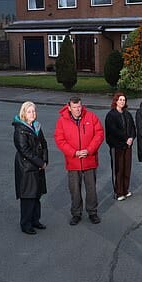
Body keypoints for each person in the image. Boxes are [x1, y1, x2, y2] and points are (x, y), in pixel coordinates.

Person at [54, 96, 105, 226]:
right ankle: (76, 214)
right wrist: (74, 152)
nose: (78, 110)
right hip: (73, 161)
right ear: (69, 108)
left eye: (79, 107)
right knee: (75, 190)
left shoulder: (91, 117)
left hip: (89, 159)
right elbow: (60, 140)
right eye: (75, 107)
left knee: (91, 188)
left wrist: (89, 150)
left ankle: (92, 212)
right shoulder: (62, 121)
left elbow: (99, 134)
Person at [12, 101, 48, 235]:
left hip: (37, 166)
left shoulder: (36, 127)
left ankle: (35, 220)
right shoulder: (20, 130)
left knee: (37, 195)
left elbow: (44, 144)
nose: (32, 114)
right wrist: (40, 163)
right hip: (27, 168)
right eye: (29, 111)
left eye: (33, 111)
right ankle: (25, 224)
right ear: (24, 114)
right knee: (28, 196)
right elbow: (25, 150)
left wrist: (45, 160)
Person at [105, 92, 136, 201]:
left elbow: (133, 127)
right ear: (116, 101)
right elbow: (113, 131)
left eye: (124, 100)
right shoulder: (111, 115)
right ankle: (118, 192)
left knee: (127, 168)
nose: (122, 102)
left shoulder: (127, 114)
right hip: (116, 146)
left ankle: (125, 190)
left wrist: (131, 137)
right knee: (118, 169)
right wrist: (125, 139)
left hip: (127, 146)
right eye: (120, 100)